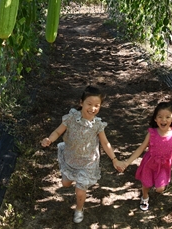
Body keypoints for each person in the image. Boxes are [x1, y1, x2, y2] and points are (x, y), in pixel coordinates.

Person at [40, 85, 126, 223]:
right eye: (89, 104)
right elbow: (57, 132)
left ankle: (79, 209)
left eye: (97, 105)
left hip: (88, 163)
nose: (93, 108)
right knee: (66, 184)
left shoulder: (97, 125)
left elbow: (105, 143)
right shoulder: (71, 118)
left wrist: (114, 159)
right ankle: (70, 178)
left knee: (80, 190)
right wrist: (49, 139)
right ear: (81, 103)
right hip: (71, 158)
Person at [119, 100, 172, 211]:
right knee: (146, 184)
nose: (164, 120)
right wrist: (127, 162)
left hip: (164, 165)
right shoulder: (152, 133)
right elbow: (141, 148)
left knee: (160, 189)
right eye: (160, 117)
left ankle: (155, 184)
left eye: (167, 117)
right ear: (155, 119)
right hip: (150, 163)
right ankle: (144, 197)